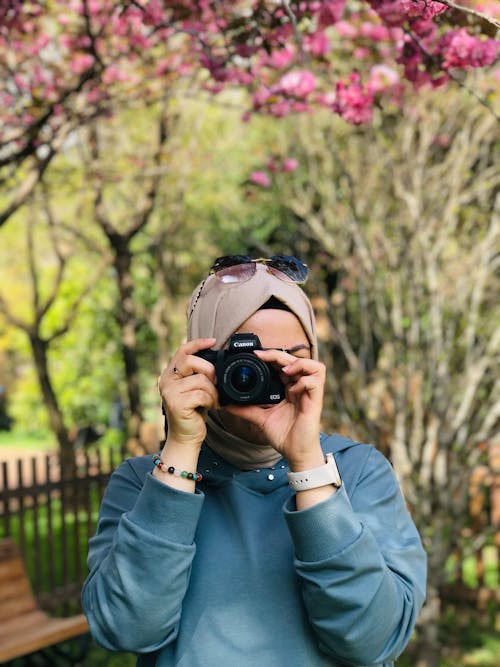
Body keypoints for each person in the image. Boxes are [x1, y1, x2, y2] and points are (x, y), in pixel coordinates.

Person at [82, 255, 426, 667]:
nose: (261, 377)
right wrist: (182, 447)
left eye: (285, 360)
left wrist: (307, 465)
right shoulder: (143, 484)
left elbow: (372, 640)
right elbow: (125, 629)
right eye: (241, 360)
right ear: (199, 362)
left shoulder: (359, 472)